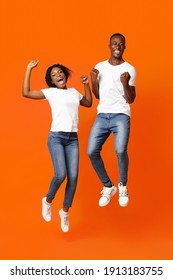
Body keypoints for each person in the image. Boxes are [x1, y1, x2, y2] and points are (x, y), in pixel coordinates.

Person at [22, 60, 92, 232]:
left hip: (72, 138)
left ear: (65, 75)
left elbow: (89, 103)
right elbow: (26, 92)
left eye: (60, 72)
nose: (58, 75)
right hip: (57, 138)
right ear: (51, 81)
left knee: (73, 178)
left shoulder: (74, 92)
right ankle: (47, 200)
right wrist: (29, 69)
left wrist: (86, 85)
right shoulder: (51, 92)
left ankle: (64, 212)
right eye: (53, 75)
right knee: (60, 174)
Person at [88, 33, 136, 207]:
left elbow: (131, 99)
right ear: (109, 46)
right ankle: (108, 187)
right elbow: (98, 95)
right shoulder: (100, 67)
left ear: (124, 47)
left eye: (121, 44)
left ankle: (122, 185)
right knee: (91, 151)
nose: (117, 46)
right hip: (102, 115)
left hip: (121, 115)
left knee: (120, 150)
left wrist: (125, 83)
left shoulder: (129, 69)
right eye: (114, 43)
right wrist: (94, 81)